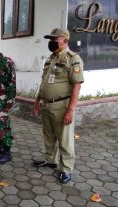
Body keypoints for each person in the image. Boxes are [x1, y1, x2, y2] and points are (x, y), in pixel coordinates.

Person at [32, 28, 84, 184]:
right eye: (51, 39)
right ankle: (50, 161)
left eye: (55, 39)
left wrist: (70, 110)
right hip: (47, 104)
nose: (51, 42)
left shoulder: (72, 59)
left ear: (65, 40)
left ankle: (66, 169)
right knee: (48, 135)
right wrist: (37, 101)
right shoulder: (51, 58)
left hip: (62, 105)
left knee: (65, 139)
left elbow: (76, 86)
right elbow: (45, 82)